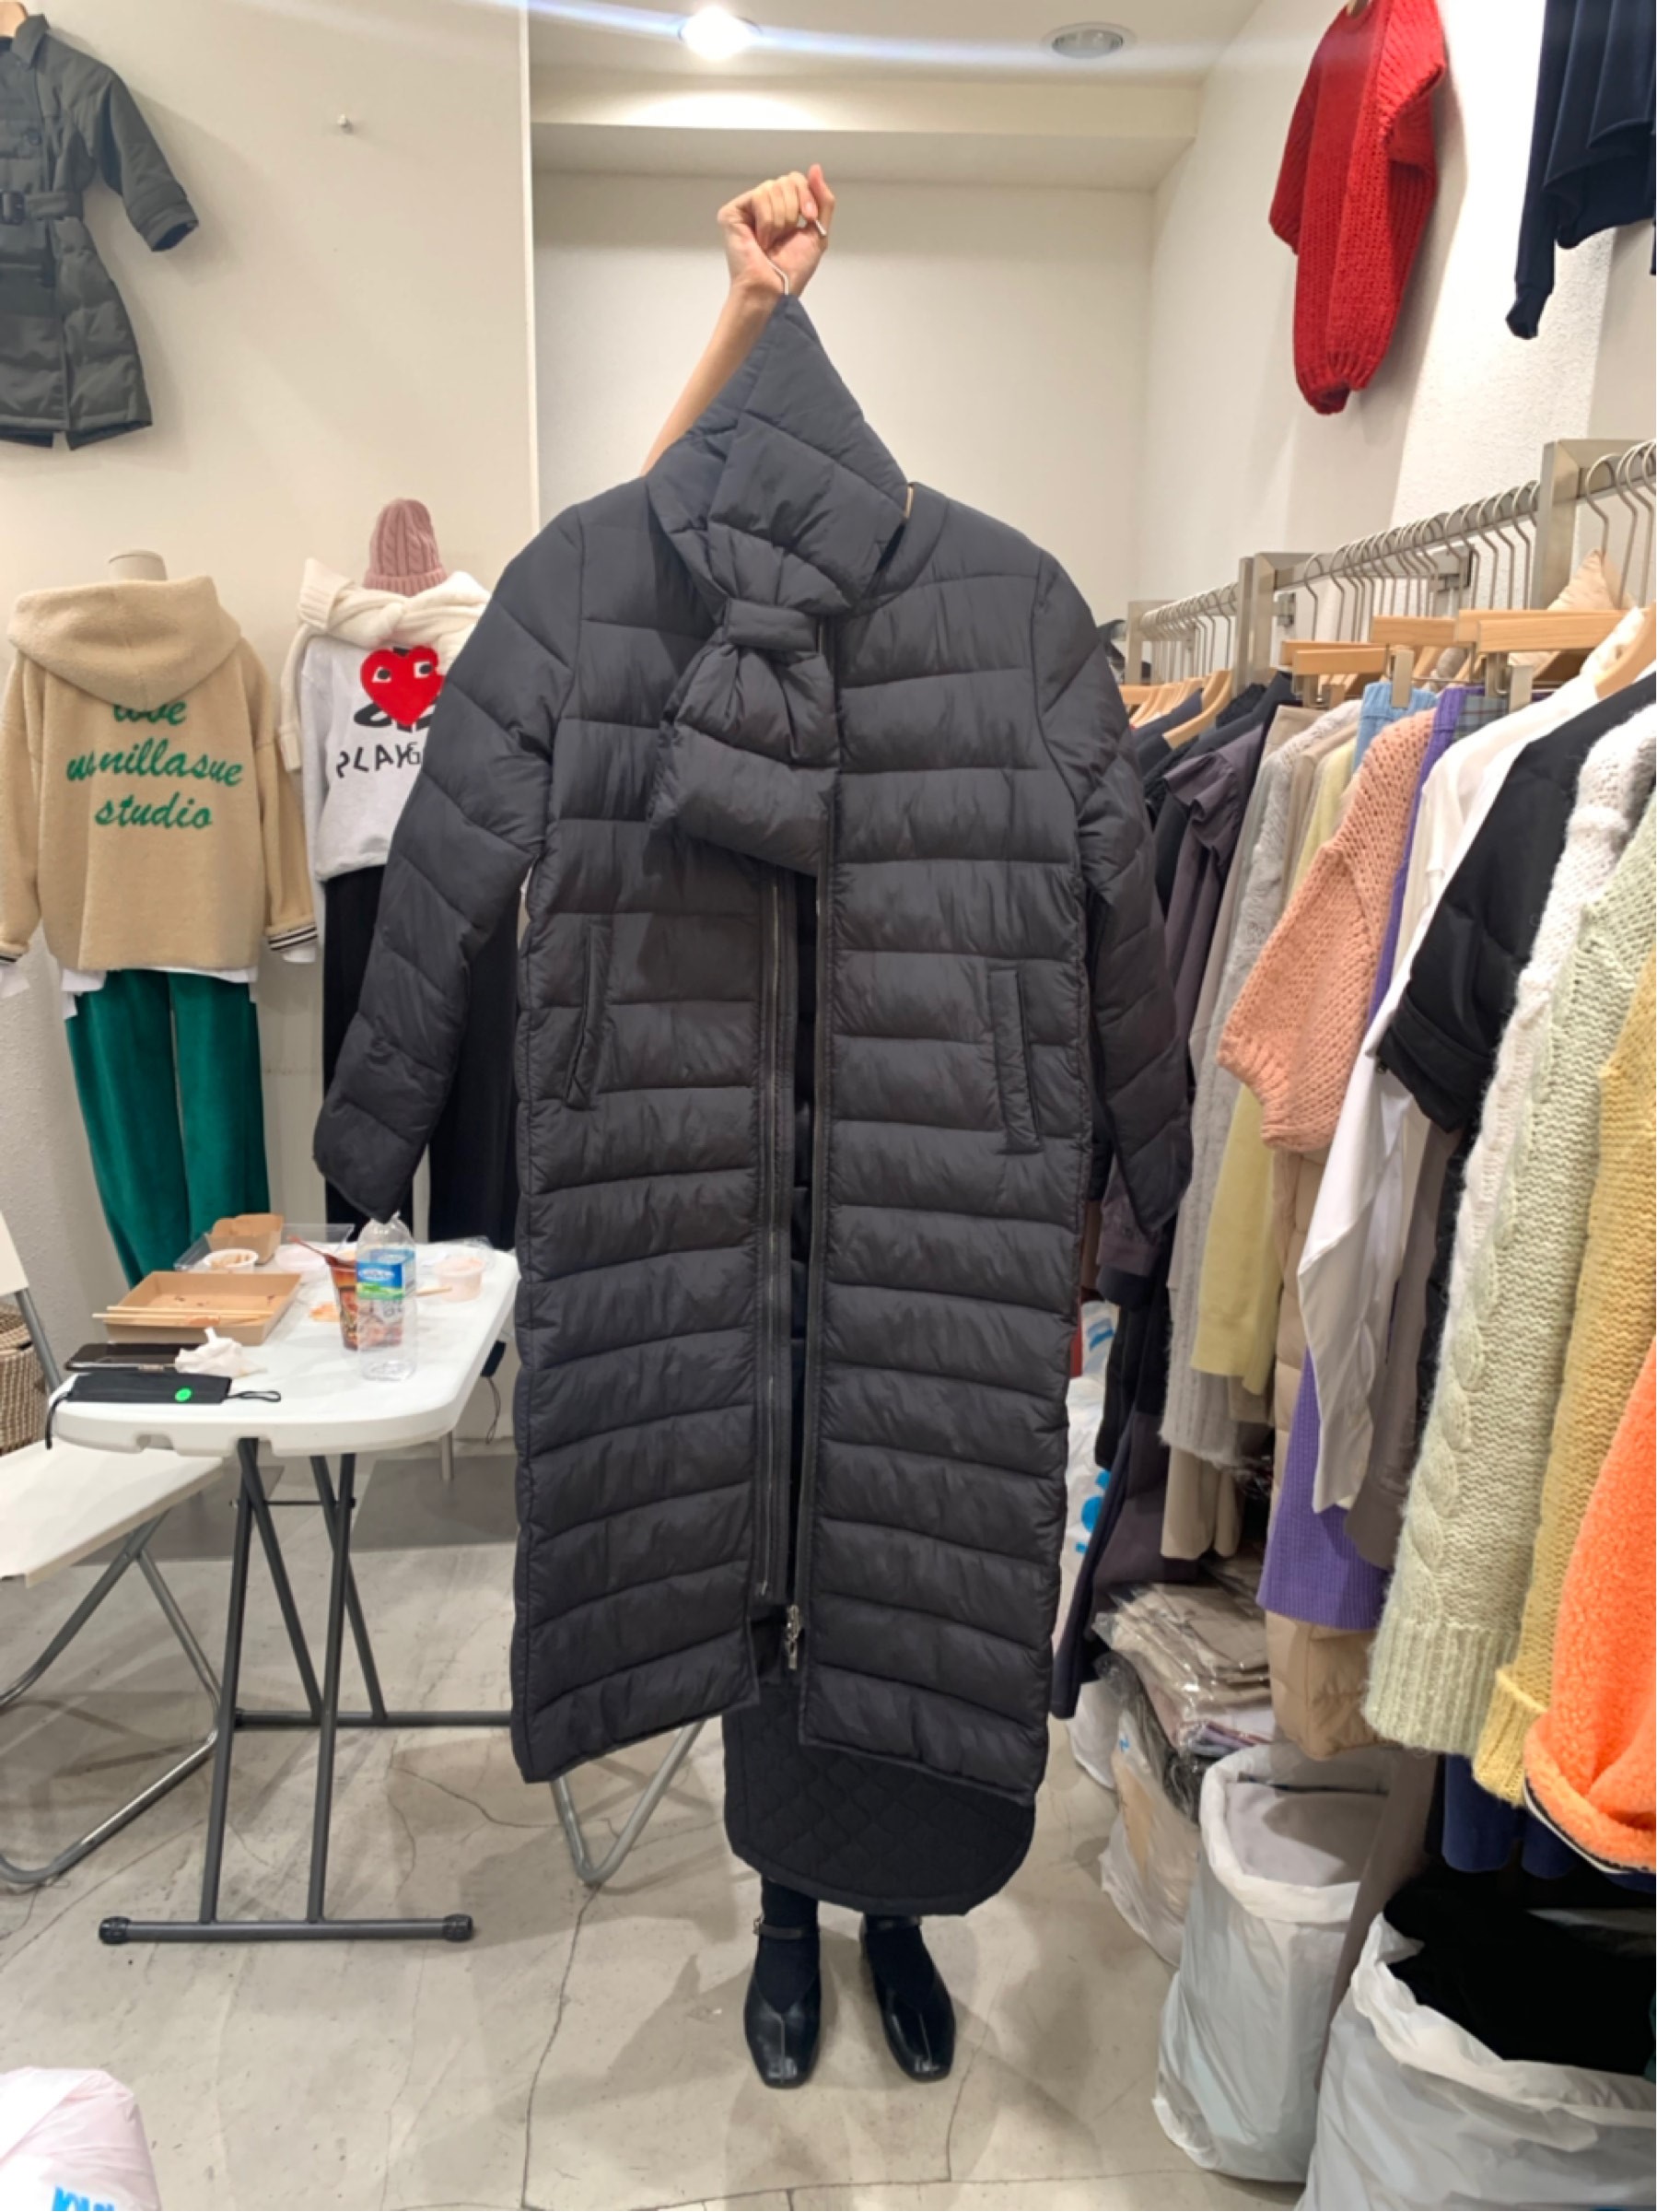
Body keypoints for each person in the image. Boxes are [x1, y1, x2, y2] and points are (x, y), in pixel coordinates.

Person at [638, 168, 1038, 2093]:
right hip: (738, 1179)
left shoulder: (967, 654)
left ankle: (896, 1911)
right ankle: (791, 1912)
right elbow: (642, 546)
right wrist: (745, 305)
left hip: (914, 1181)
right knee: (770, 1570)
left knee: (909, 1555)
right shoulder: (706, 637)